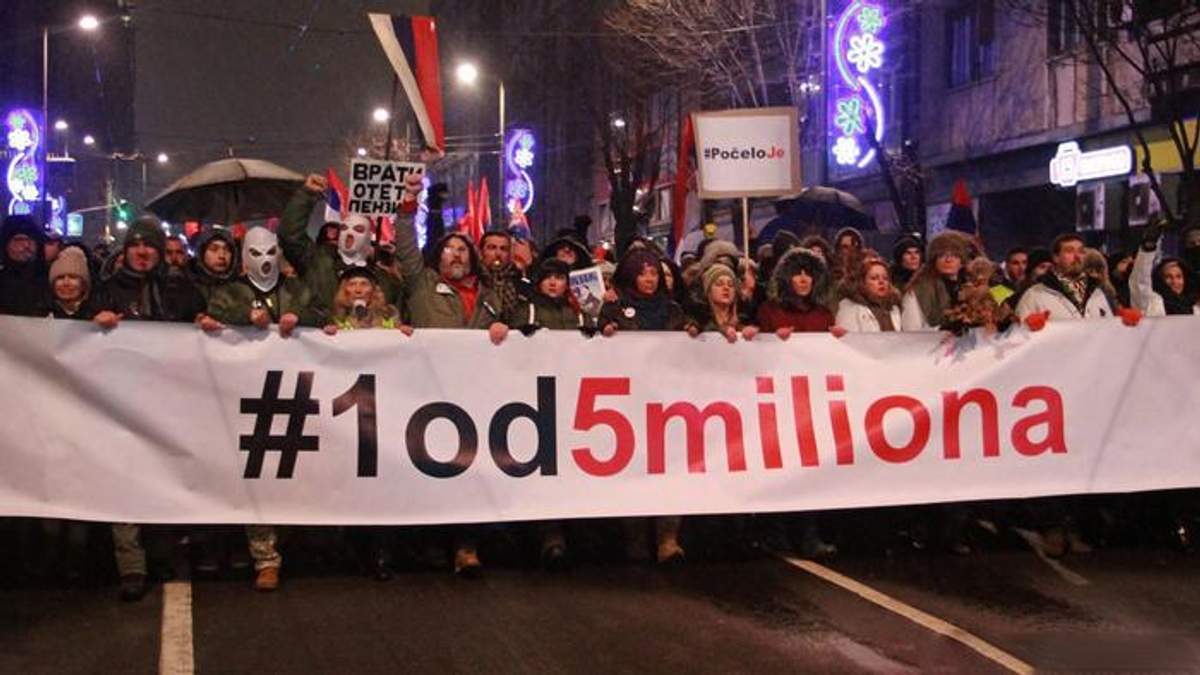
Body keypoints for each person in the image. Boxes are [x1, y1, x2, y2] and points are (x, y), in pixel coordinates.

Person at [92, 215, 211, 602]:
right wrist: (94, 324)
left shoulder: (180, 289)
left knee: (165, 481)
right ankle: (131, 566)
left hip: (169, 404)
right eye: (136, 246)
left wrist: (205, 323)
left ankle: (164, 556)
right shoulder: (108, 291)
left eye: (150, 246)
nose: (143, 253)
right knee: (124, 483)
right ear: (126, 250)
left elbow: (198, 321)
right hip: (121, 403)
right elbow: (79, 337)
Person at [393, 173, 498, 576]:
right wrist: (410, 203)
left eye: (463, 249)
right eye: (449, 249)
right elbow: (405, 245)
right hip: (426, 393)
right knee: (427, 469)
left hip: (473, 396)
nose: (456, 255)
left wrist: (502, 329)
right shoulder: (422, 284)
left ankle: (466, 547)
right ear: (437, 258)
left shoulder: (489, 297)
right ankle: (428, 543)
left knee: (470, 471)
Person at [488, 258, 590, 571]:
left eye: (560, 278)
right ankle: (548, 537)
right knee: (542, 470)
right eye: (548, 278)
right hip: (535, 399)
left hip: (573, 399)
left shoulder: (579, 313)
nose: (554, 283)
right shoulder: (527, 310)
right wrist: (508, 330)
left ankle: (571, 536)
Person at [599, 248, 688, 564]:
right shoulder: (614, 308)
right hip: (629, 402)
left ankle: (668, 539)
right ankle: (635, 538)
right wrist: (605, 328)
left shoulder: (674, 310)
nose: (649, 279)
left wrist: (693, 331)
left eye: (653, 273)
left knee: (670, 470)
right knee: (633, 470)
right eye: (642, 273)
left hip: (667, 401)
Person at [280, 174, 404, 315]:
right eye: (344, 228)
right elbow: (290, 236)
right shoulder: (317, 263)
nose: (349, 233)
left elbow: (396, 316)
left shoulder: (385, 279)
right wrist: (306, 195)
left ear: (368, 237)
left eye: (358, 229)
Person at [1015, 233, 1114, 321]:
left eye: (1081, 251)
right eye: (1069, 251)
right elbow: (1020, 332)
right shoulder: (1035, 295)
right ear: (1055, 257)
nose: (1077, 257)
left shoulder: (1097, 293)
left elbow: (1109, 330)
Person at [756, 247, 839, 337]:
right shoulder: (769, 312)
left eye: (809, 274)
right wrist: (775, 340)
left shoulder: (824, 315)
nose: (804, 279)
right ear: (786, 278)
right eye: (797, 273)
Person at [901, 231, 970, 331]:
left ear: (962, 262)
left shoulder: (971, 287)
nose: (948, 260)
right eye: (942, 255)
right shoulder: (918, 291)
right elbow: (910, 332)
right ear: (934, 260)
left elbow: (994, 311)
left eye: (954, 255)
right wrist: (942, 329)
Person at [1131, 223, 1199, 316]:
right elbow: (1140, 283)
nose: (1174, 281)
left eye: (1179, 277)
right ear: (1161, 280)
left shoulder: (1194, 309)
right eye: (1168, 277)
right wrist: (1148, 247)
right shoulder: (1152, 303)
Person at [0, 214, 50, 316]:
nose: (26, 245)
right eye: (19, 240)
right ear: (6, 245)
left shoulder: (50, 278)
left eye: (31, 240)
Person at [835, 259, 902, 332]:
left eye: (885, 278)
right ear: (863, 283)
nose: (881, 282)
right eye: (874, 278)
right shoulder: (850, 307)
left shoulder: (894, 308)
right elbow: (847, 337)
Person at [189, 228, 238, 304]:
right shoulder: (189, 289)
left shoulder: (242, 290)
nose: (222, 255)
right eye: (213, 249)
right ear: (201, 253)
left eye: (227, 249)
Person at [47, 247, 96, 319]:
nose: (66, 283)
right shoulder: (40, 312)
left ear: (84, 284)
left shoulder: (97, 312)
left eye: (73, 277)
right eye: (60, 278)